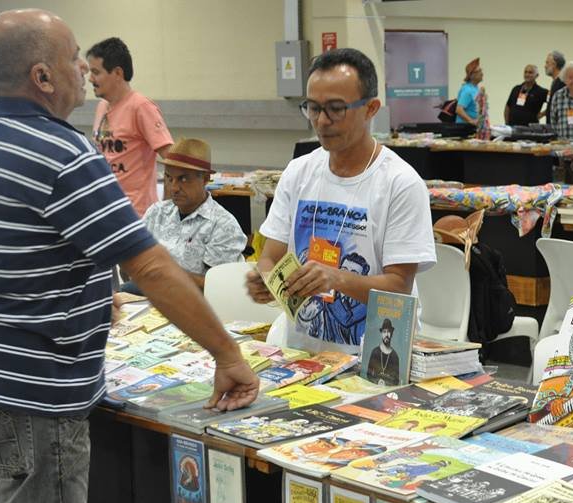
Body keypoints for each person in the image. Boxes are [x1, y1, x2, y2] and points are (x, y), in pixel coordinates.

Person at [0, 10, 258, 503]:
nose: (84, 70)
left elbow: (8, 253)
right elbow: (156, 270)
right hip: (29, 399)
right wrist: (228, 355)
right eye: (74, 57)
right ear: (42, 75)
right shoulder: (62, 154)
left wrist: (81, 290)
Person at [245, 48, 435, 354]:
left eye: (335, 108)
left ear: (371, 108)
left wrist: (336, 278)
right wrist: (267, 281)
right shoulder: (299, 172)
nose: (321, 121)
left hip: (376, 359)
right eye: (312, 107)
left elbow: (399, 286)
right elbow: (271, 257)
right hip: (305, 356)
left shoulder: (400, 182)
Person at [121, 137, 246, 293]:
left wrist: (164, 274)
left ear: (205, 179)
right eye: (169, 178)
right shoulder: (157, 212)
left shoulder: (223, 225)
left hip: (195, 304)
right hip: (150, 296)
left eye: (183, 179)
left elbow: (217, 285)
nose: (174, 188)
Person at [88, 37, 173, 216]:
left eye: (96, 72)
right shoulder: (102, 106)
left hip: (136, 216)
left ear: (118, 73)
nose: (90, 79)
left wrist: (167, 209)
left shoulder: (141, 107)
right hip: (105, 210)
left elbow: (172, 159)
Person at [366, 318, 401, 385]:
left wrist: (386, 383)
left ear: (392, 333)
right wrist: (377, 381)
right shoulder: (375, 352)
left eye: (388, 332)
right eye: (384, 332)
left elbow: (396, 381)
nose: (386, 335)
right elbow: (368, 374)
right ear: (381, 333)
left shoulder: (395, 356)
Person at [455, 58, 484, 127]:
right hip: (464, 129)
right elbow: (459, 110)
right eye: (479, 71)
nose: (482, 73)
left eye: (481, 70)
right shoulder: (467, 90)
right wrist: (471, 121)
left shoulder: (475, 88)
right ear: (471, 75)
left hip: (472, 127)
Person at [542, 50, 566, 125]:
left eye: (547, 63)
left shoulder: (562, 82)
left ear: (554, 64)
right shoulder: (555, 82)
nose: (545, 66)